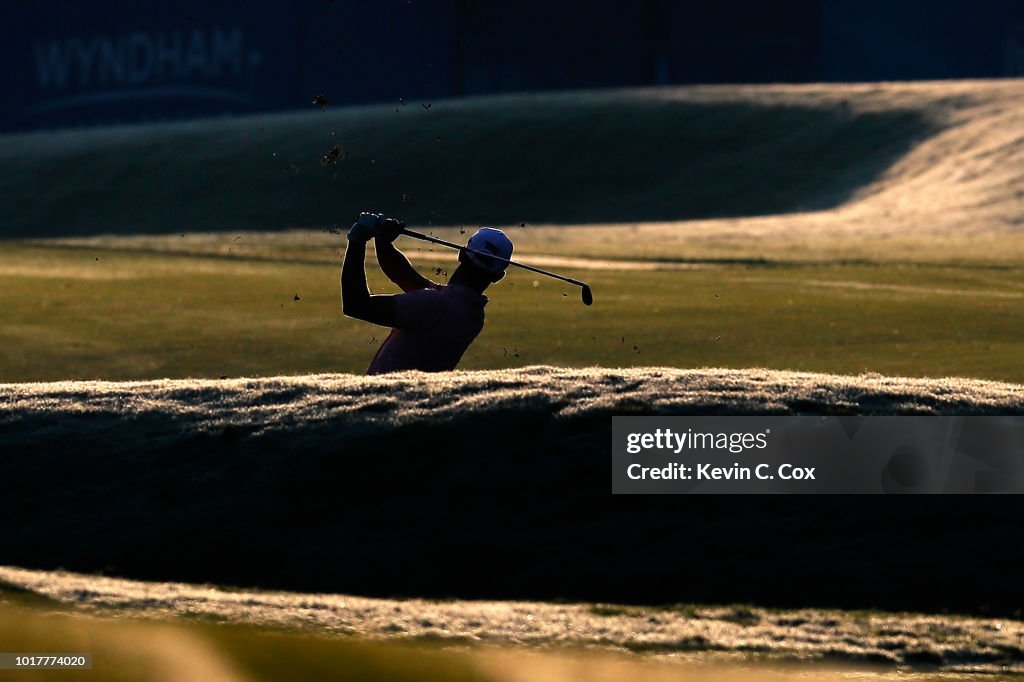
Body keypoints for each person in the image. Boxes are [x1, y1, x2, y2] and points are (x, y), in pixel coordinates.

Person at [341, 212, 513, 375]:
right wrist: (383, 241)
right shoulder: (471, 313)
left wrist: (357, 241)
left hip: (383, 400)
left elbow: (355, 305)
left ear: (461, 254)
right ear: (498, 277)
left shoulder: (435, 304)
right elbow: (405, 276)